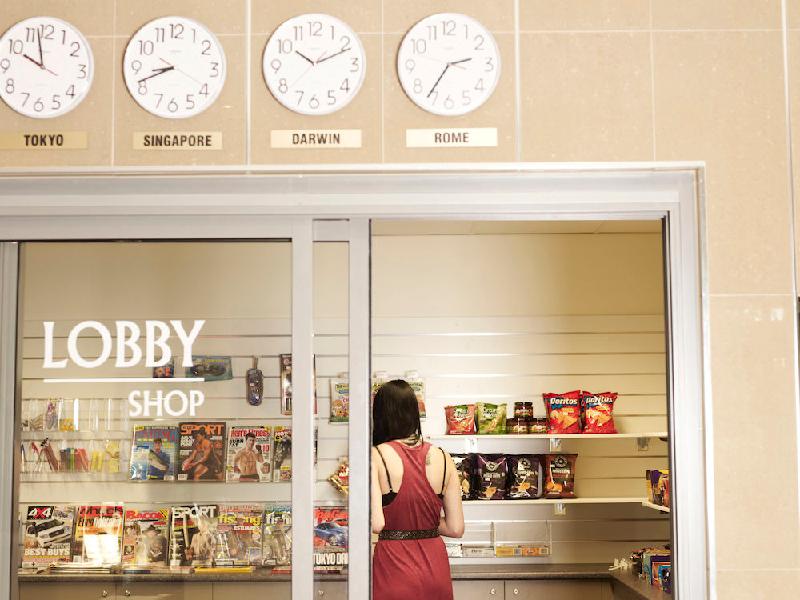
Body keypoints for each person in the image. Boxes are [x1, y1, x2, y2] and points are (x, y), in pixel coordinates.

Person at [371, 379, 464, 600]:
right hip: (436, 570)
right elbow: (455, 528)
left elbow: (377, 523)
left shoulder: (376, 456)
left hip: (394, 569)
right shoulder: (443, 457)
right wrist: (421, 521)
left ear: (380, 416)